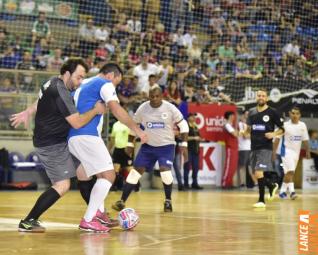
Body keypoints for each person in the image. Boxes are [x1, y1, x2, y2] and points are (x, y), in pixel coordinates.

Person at [10, 58, 106, 232]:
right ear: (67, 73)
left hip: (59, 141)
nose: (80, 82)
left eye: (83, 78)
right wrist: (95, 111)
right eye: (78, 77)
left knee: (84, 173)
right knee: (62, 185)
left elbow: (40, 100)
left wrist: (28, 112)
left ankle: (94, 217)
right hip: (51, 144)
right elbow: (77, 122)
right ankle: (28, 221)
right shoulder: (60, 91)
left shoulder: (51, 82)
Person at [68, 63, 147, 232]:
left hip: (72, 136)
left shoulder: (85, 82)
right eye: (117, 82)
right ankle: (89, 220)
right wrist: (137, 129)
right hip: (86, 135)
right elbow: (116, 108)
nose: (115, 87)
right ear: (111, 75)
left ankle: (100, 215)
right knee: (109, 175)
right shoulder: (105, 83)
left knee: (100, 175)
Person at [112, 86, 189, 212]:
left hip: (166, 146)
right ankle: (122, 201)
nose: (154, 99)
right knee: (135, 172)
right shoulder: (143, 108)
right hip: (148, 146)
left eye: (157, 96)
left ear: (162, 96)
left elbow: (183, 124)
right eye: (152, 96)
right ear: (148, 96)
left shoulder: (170, 108)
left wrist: (184, 145)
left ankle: (168, 200)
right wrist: (130, 144)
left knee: (165, 172)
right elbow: (134, 125)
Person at [242, 88, 284, 208]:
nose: (261, 97)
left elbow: (282, 128)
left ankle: (261, 200)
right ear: (256, 97)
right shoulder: (251, 112)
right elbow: (249, 129)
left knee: (259, 172)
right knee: (256, 173)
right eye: (259, 95)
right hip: (254, 146)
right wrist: (244, 132)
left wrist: (273, 134)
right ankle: (271, 185)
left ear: (267, 98)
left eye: (263, 96)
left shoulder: (273, 112)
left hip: (265, 146)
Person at [273, 107, 310, 200]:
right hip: (285, 151)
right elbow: (276, 139)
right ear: (289, 114)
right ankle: (282, 191)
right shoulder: (284, 125)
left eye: (297, 113)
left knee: (289, 173)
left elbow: (305, 139)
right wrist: (273, 152)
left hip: (296, 153)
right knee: (291, 171)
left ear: (300, 115)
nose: (295, 115)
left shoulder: (302, 125)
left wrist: (307, 151)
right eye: (293, 113)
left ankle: (292, 192)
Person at [237, 110, 258, 188]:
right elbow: (245, 136)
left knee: (250, 166)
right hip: (243, 148)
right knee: (243, 166)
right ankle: (242, 183)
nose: (248, 116)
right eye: (246, 114)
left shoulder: (249, 125)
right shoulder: (241, 124)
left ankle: (255, 182)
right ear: (243, 115)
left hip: (250, 147)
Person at [183, 113, 203, 190]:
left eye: (194, 116)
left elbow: (198, 136)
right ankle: (186, 184)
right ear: (188, 118)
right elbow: (184, 137)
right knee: (187, 167)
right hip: (188, 150)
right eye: (192, 116)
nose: (194, 117)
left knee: (196, 168)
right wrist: (194, 138)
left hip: (196, 150)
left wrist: (200, 139)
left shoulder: (195, 126)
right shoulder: (186, 126)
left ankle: (194, 183)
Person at [222, 111, 239, 188]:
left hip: (235, 147)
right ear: (229, 117)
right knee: (229, 166)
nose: (233, 117)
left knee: (233, 166)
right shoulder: (227, 125)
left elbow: (238, 134)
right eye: (232, 116)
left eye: (233, 116)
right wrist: (237, 132)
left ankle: (229, 182)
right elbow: (235, 134)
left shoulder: (231, 125)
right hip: (230, 147)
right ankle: (225, 183)